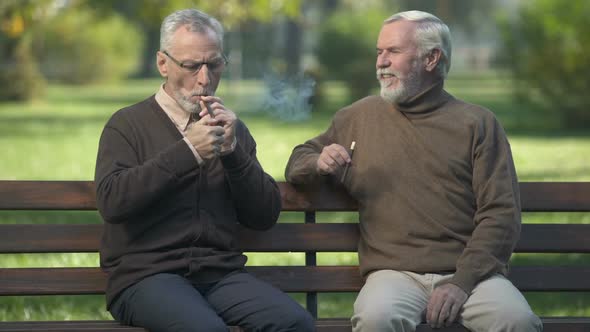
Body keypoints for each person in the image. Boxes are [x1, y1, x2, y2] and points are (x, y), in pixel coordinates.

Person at [285, 10, 542, 332]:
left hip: (472, 277)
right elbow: (297, 162)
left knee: (517, 320)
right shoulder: (359, 117)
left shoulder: (477, 124)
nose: (381, 62)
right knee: (376, 318)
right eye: (379, 52)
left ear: (431, 58)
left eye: (393, 51)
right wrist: (318, 161)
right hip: (393, 275)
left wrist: (461, 283)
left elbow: (501, 214)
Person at [95, 8, 314, 332]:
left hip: (220, 276)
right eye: (191, 65)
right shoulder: (127, 124)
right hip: (145, 278)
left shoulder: (233, 130)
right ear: (163, 64)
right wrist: (188, 151)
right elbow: (113, 201)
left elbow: (263, 215)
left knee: (296, 323)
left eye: (213, 64)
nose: (204, 78)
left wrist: (233, 154)